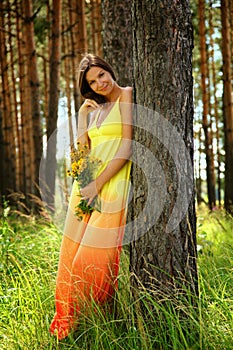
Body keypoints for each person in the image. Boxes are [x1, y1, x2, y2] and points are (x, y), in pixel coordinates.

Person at [49, 54, 132, 340]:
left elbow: (126, 147)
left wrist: (97, 185)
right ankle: (75, 324)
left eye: (101, 74)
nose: (100, 83)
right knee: (70, 258)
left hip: (111, 188)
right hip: (84, 188)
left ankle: (100, 321)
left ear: (109, 69)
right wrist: (83, 117)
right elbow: (82, 153)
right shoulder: (95, 110)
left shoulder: (127, 96)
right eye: (92, 81)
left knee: (92, 259)